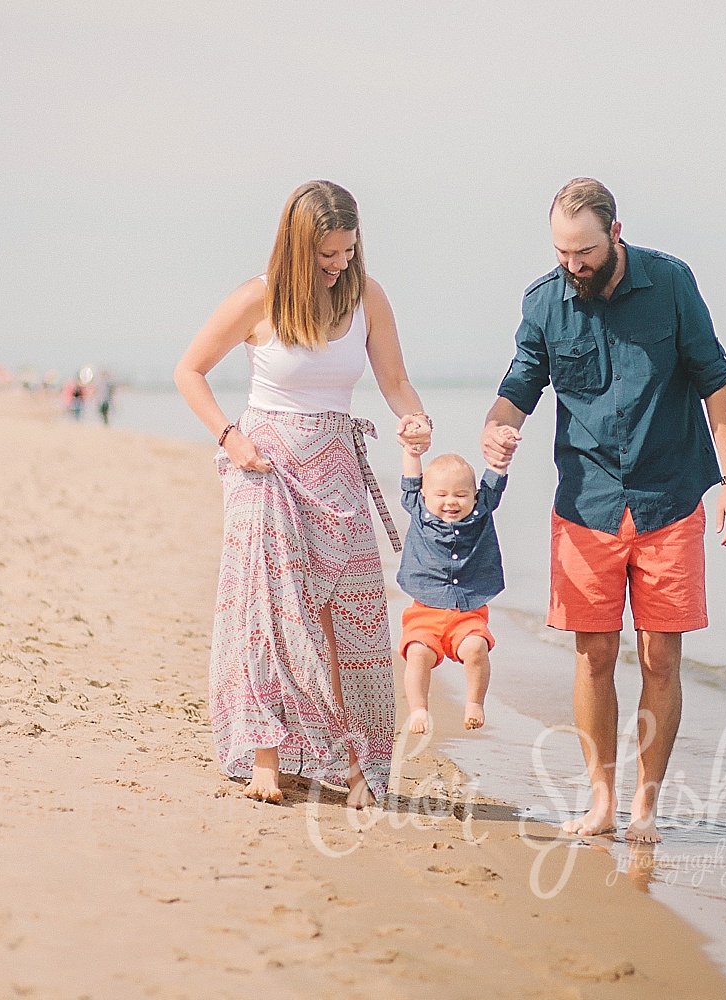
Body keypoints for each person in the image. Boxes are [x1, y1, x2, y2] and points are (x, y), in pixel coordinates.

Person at [481, 178, 726, 843]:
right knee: (594, 654)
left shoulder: (671, 284)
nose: (573, 266)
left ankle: (645, 809)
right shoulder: (545, 302)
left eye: (585, 252)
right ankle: (601, 802)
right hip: (585, 501)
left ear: (616, 234)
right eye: (562, 253)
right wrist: (498, 425)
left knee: (661, 657)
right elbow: (521, 379)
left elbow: (714, 380)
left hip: (670, 496)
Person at [174, 180, 431, 808]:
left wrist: (414, 419)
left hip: (338, 464)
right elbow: (189, 371)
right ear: (296, 247)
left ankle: (359, 764)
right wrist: (229, 437)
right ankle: (266, 754)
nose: (339, 265)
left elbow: (394, 381)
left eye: (347, 252)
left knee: (352, 614)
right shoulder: (257, 299)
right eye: (326, 256)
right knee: (269, 610)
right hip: (264, 465)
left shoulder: (368, 298)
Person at [395, 439, 513, 735]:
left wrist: (500, 456)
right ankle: (419, 709)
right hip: (425, 610)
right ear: (425, 495)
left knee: (476, 648)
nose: (451, 501)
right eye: (441, 494)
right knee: (417, 654)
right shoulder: (419, 511)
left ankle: (475, 703)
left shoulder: (482, 511)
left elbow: (495, 481)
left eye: (461, 494)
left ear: (475, 496)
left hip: (468, 611)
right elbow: (410, 481)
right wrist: (411, 451)